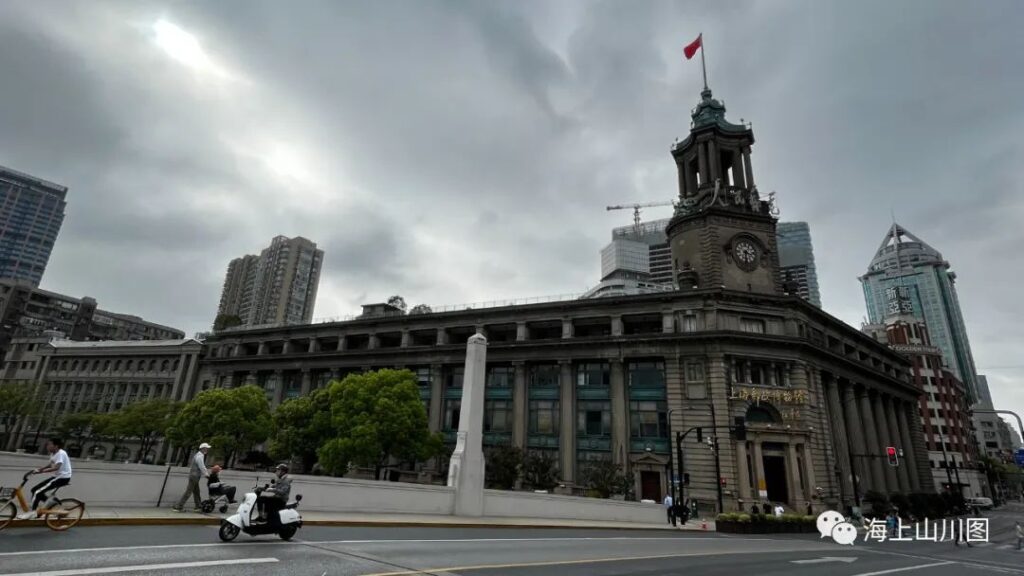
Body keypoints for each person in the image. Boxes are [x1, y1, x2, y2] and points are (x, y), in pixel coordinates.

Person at [18, 437, 72, 519]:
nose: (47, 446)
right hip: (57, 477)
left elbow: (56, 467)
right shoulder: (53, 453)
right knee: (34, 490)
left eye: (49, 444)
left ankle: (32, 513)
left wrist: (41, 472)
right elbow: (51, 464)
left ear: (56, 446)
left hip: (63, 477)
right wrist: (41, 469)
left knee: (37, 492)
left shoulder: (61, 453)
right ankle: (51, 503)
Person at [173, 442, 211, 512]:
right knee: (189, 492)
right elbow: (202, 466)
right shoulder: (200, 456)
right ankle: (179, 506)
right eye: (207, 448)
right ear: (203, 448)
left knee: (196, 492)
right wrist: (207, 474)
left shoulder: (198, 455)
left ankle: (198, 506)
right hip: (195, 476)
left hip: (194, 476)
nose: (207, 450)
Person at [256, 463, 292, 529]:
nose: (276, 472)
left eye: (278, 470)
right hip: (276, 498)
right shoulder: (279, 479)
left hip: (281, 500)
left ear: (283, 472)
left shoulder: (286, 480)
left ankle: (264, 517)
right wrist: (262, 488)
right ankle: (261, 516)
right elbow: (272, 486)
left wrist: (273, 490)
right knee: (260, 499)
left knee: (268, 500)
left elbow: (283, 492)